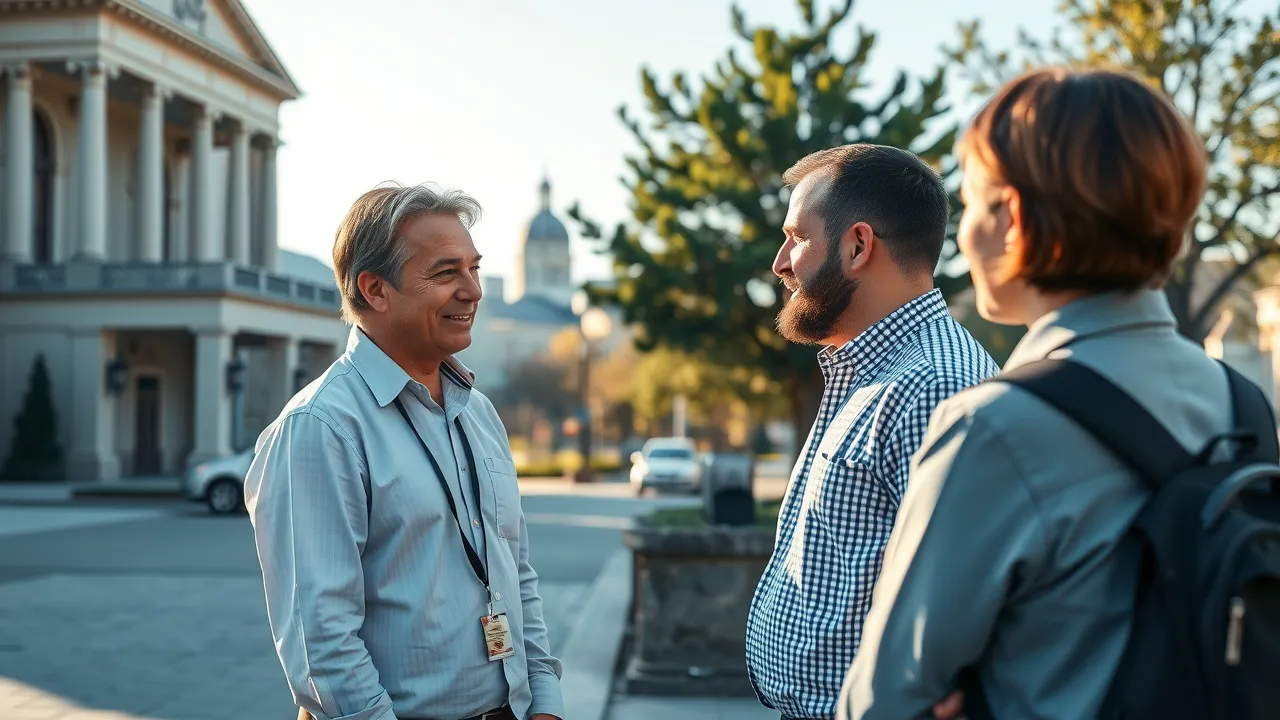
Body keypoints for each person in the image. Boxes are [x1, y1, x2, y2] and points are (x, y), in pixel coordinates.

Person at [838, 67, 1226, 719]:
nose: (961, 237)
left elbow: (883, 703)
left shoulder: (995, 427)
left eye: (970, 204)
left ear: (1012, 218)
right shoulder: (1244, 406)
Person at [245, 183, 563, 720]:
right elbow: (321, 641)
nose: (473, 291)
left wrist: (545, 704)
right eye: (446, 273)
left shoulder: (478, 412)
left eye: (474, 269)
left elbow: (517, 573)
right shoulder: (320, 427)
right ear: (375, 289)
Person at [745, 143, 999, 720]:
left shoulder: (934, 388)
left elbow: (961, 622)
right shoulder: (870, 372)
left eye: (797, 237)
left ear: (858, 245)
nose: (780, 262)